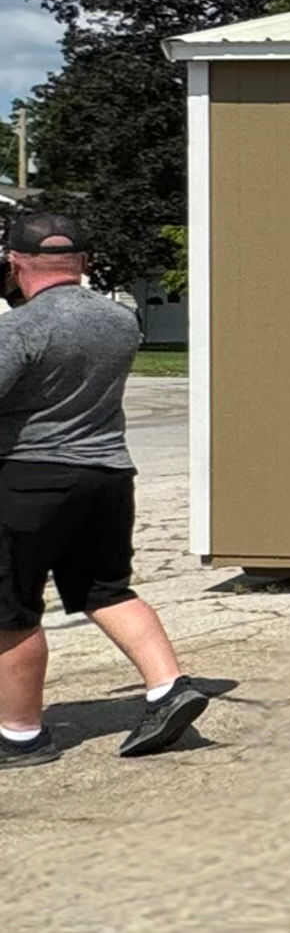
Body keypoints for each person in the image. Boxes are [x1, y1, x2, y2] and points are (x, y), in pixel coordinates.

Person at [0, 212, 208, 765]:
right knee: (106, 589)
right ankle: (169, 686)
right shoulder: (121, 320)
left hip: (29, 479)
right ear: (84, 263)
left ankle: (21, 735)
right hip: (108, 474)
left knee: (12, 606)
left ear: (15, 262)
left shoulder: (19, 328)